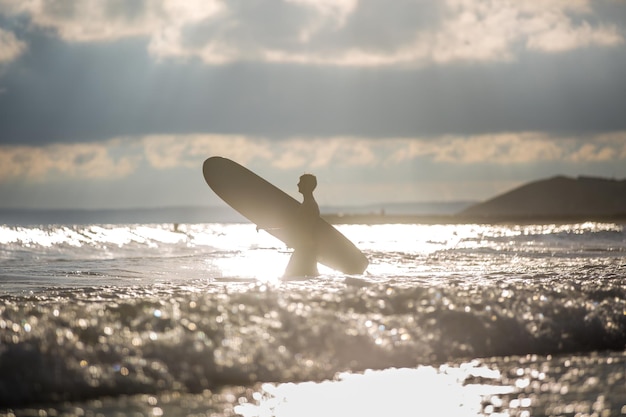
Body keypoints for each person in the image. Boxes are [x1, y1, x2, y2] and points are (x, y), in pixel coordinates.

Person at [283, 174, 320, 277]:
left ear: (307, 185)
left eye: (301, 182)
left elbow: (307, 229)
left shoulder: (310, 205)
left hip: (305, 250)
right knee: (304, 277)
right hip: (304, 249)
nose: (298, 184)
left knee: (291, 276)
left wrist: (296, 241)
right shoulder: (306, 204)